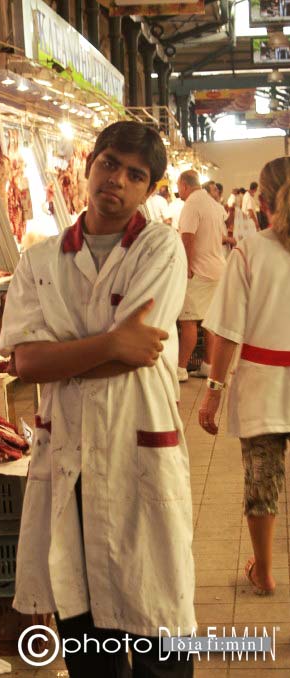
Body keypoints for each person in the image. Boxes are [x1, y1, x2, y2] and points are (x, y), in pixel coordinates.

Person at [0, 121, 195, 678]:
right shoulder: (40, 261)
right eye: (109, 163)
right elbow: (26, 364)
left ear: (149, 189)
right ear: (90, 166)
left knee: (158, 627)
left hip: (138, 450)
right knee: (85, 637)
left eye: (136, 175)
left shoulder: (160, 248)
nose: (118, 180)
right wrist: (110, 344)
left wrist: (63, 355)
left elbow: (141, 350)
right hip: (70, 457)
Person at [198, 156, 290, 596]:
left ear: (263, 201)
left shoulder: (250, 252)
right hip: (264, 381)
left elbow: (228, 331)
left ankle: (265, 573)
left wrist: (213, 392)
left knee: (262, 479)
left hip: (261, 386)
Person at [177, 171, 226, 382]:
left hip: (199, 270)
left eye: (178, 186)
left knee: (188, 320)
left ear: (184, 185)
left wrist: (186, 267)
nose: (178, 191)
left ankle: (180, 369)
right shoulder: (213, 204)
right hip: (217, 269)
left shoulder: (192, 204)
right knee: (209, 321)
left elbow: (188, 237)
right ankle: (207, 365)